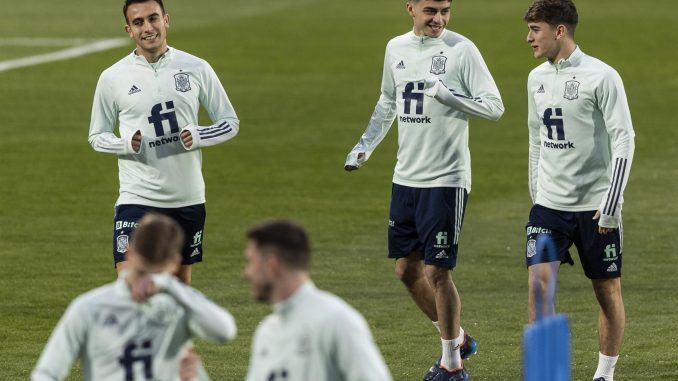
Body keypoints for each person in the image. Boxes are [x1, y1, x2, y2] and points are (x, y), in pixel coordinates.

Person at [344, 0, 504, 379]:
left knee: (438, 271)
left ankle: (452, 364)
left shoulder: (461, 50)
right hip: (406, 178)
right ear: (410, 8)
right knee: (405, 270)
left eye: (446, 10)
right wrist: (365, 144)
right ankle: (458, 338)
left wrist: (450, 96)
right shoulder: (395, 48)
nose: (439, 18)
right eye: (431, 9)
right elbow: (388, 100)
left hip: (446, 179)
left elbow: (495, 107)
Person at [88, 0, 240, 283]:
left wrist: (199, 135)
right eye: (138, 22)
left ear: (166, 20)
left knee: (178, 293)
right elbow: (97, 136)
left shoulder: (196, 67)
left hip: (187, 197)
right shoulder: (112, 77)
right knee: (130, 286)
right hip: (137, 197)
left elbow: (230, 122)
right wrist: (124, 143)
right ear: (129, 30)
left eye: (153, 18)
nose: (148, 28)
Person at [523, 1, 635, 380]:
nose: (528, 38)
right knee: (539, 287)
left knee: (606, 292)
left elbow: (624, 140)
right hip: (548, 208)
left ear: (559, 31)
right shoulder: (535, 78)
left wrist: (611, 205)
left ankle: (604, 373)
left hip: (595, 208)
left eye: (535, 30)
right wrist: (537, 193)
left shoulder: (602, 77)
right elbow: (536, 138)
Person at [31, 214, 237, 380]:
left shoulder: (177, 306)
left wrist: (169, 286)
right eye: (142, 272)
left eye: (155, 276)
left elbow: (225, 331)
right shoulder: (89, 308)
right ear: (128, 254)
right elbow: (47, 372)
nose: (145, 284)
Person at [243, 219, 393, 381]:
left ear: (272, 265)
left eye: (251, 262)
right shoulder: (266, 332)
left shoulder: (336, 320)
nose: (247, 273)